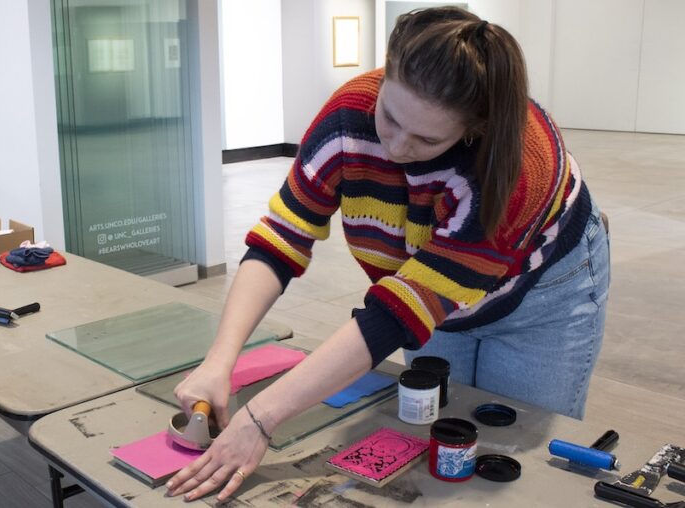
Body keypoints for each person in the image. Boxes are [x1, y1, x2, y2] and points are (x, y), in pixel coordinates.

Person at [167, 6, 609, 503]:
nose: (396, 146)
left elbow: (397, 314)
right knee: (434, 437)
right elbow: (280, 239)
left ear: (473, 128)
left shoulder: (516, 167)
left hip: (540, 300)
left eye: (427, 139)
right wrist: (219, 362)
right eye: (390, 117)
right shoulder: (347, 115)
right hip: (430, 294)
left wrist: (260, 419)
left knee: (511, 456)